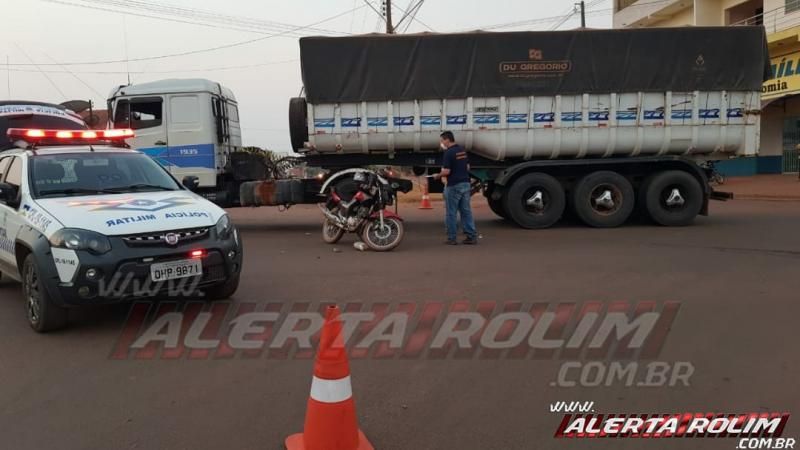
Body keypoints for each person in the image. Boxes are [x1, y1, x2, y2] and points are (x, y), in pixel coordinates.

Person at [432, 131, 477, 245]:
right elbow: (467, 167)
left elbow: (447, 171)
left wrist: (437, 176)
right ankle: (471, 236)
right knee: (466, 211)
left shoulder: (448, 153)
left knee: (451, 212)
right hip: (465, 183)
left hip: (454, 185)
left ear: (447, 139)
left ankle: (452, 238)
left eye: (442, 140)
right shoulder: (462, 150)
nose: (442, 143)